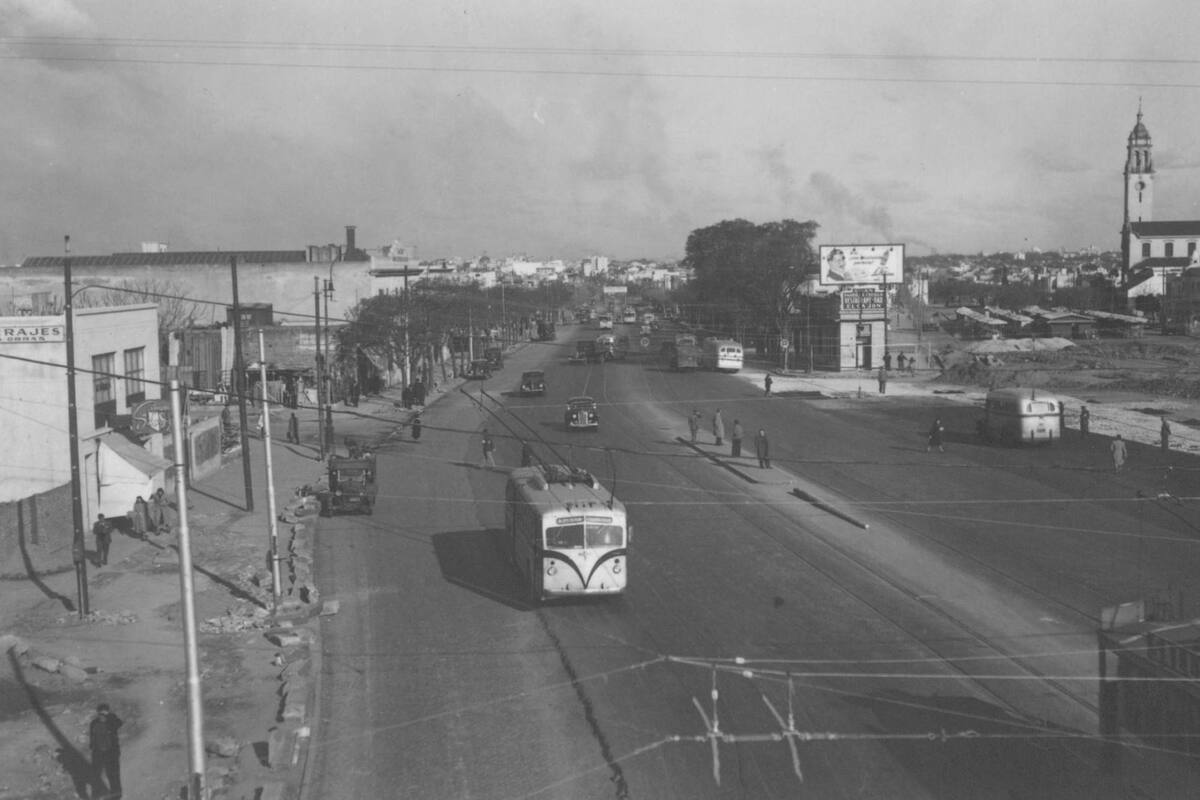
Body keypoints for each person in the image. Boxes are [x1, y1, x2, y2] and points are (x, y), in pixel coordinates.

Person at [89, 702, 123, 799]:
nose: (102, 714)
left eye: (105, 712)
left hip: (112, 753)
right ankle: (95, 797)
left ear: (108, 712)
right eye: (101, 712)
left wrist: (108, 718)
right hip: (98, 754)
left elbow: (119, 723)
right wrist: (93, 750)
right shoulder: (94, 723)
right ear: (98, 712)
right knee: (96, 776)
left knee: (113, 776)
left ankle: (116, 797)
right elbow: (92, 739)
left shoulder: (112, 720)